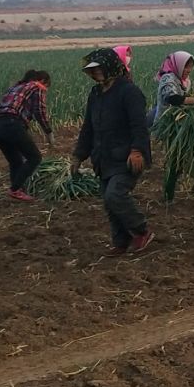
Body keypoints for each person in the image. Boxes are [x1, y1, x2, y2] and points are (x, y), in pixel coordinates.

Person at [71, 48, 155, 257]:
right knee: (109, 202)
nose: (95, 73)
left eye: (99, 69)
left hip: (126, 156)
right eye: (93, 70)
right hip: (103, 156)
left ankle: (141, 230)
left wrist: (137, 151)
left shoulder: (129, 92)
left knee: (115, 195)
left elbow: (139, 126)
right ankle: (120, 241)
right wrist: (78, 155)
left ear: (110, 67)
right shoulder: (96, 94)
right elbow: (88, 127)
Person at [0, 69, 53, 201]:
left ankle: (17, 191)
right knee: (34, 157)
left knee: (15, 161)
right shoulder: (37, 86)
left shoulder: (15, 87)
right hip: (12, 124)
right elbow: (40, 111)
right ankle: (15, 189)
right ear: (43, 81)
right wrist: (48, 132)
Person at [149, 50, 194, 125]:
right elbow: (172, 98)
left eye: (190, 67)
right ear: (179, 65)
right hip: (164, 124)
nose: (189, 70)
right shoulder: (167, 79)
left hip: (178, 122)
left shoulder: (186, 81)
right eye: (186, 67)